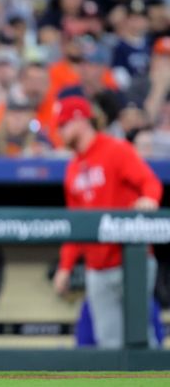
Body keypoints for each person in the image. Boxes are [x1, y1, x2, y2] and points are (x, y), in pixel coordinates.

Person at [52, 95, 162, 349]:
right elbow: (75, 223)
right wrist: (66, 266)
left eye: (63, 124)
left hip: (131, 261)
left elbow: (151, 183)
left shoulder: (116, 149)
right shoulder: (72, 168)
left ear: (80, 120)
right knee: (110, 345)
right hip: (96, 268)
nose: (59, 131)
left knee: (142, 339)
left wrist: (148, 200)